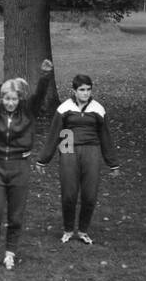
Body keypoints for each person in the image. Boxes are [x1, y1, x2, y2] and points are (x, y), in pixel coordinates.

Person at [0, 58, 54, 269]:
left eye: (14, 99)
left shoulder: (28, 111)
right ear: (2, 98)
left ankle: (10, 253)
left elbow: (40, 94)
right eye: (6, 98)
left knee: (15, 215)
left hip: (19, 167)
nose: (10, 102)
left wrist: (44, 76)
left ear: (19, 98)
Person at [35, 73, 121, 244]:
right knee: (69, 194)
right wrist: (43, 160)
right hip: (69, 150)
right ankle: (68, 229)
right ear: (74, 91)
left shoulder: (98, 109)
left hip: (92, 151)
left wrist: (113, 164)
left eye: (88, 90)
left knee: (89, 195)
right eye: (82, 90)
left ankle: (83, 230)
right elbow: (54, 135)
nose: (86, 93)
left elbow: (106, 137)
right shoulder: (64, 108)